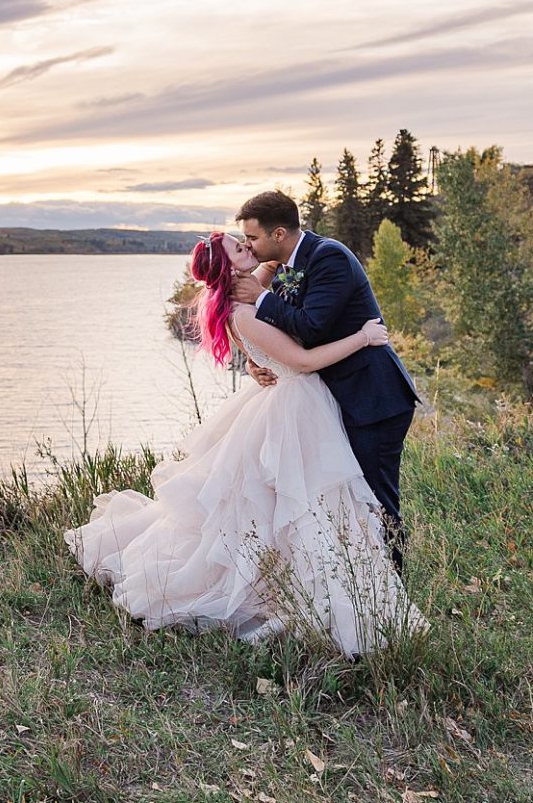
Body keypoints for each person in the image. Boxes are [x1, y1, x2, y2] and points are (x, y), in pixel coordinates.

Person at [64, 232, 421, 656]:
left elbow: (273, 262)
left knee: (294, 508)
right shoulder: (244, 314)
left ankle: (312, 583)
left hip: (295, 406)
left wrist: (270, 267)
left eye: (247, 241)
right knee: (299, 506)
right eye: (239, 248)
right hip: (294, 409)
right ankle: (304, 594)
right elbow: (303, 362)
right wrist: (363, 337)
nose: (249, 249)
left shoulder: (245, 296)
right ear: (230, 269)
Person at [231, 190, 420, 570]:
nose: (248, 246)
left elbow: (312, 327)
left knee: (376, 496)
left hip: (373, 397)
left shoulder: (328, 257)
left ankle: (393, 585)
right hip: (338, 396)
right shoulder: (288, 264)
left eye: (252, 238)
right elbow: (285, 334)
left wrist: (263, 298)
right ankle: (360, 578)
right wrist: (255, 361)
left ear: (279, 233)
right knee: (350, 496)